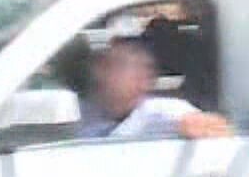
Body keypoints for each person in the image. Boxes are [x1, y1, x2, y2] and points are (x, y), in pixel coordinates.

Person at [76, 37, 232, 141]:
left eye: (144, 68)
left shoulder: (159, 111)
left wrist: (194, 126)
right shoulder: (78, 110)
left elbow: (219, 130)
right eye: (122, 65)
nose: (141, 76)